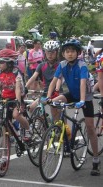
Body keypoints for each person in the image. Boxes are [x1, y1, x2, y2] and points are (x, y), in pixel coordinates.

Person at [44, 39, 100, 176]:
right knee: (53, 102)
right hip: (71, 94)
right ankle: (58, 126)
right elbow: (54, 81)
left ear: (77, 53)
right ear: (63, 53)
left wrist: (81, 100)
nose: (70, 54)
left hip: (85, 97)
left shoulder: (82, 65)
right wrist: (48, 97)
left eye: (72, 51)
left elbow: (82, 83)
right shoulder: (62, 65)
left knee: (90, 128)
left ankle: (96, 159)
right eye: (67, 51)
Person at [0, 49, 31, 141]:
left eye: (1, 62)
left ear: (9, 63)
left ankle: (28, 129)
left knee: (16, 115)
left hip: (17, 97)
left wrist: (18, 102)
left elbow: (17, 89)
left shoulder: (16, 72)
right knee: (5, 121)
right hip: (6, 98)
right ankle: (5, 152)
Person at [25, 40, 61, 112]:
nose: (50, 55)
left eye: (53, 52)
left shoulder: (60, 65)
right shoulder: (42, 65)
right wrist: (25, 87)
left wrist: (57, 90)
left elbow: (59, 79)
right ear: (45, 53)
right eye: (48, 52)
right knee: (31, 108)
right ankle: (42, 121)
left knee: (56, 118)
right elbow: (33, 77)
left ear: (57, 53)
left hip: (56, 94)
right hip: (45, 93)